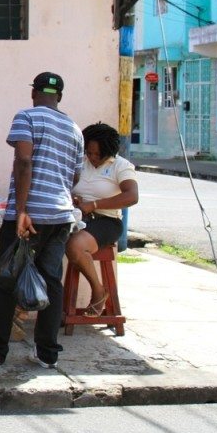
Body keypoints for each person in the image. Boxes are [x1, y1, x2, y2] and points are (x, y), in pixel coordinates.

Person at [0, 71, 83, 369]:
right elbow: (76, 175)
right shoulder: (74, 129)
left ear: (34, 93)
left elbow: (23, 160)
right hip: (61, 215)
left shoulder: (27, 117)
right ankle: (47, 354)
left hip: (30, 216)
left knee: (8, 279)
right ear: (59, 96)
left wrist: (21, 210)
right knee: (51, 281)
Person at [67, 122, 139, 316]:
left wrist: (95, 204)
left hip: (107, 221)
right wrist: (73, 199)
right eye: (89, 153)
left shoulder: (121, 166)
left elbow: (132, 196)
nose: (93, 158)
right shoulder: (80, 162)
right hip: (78, 217)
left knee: (75, 245)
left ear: (109, 152)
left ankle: (98, 290)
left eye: (98, 155)